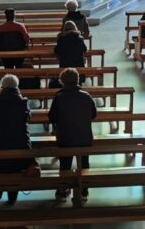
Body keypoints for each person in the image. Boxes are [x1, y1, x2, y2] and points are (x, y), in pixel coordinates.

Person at [0, 74, 32, 206]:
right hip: (20, 154)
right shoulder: (23, 103)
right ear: (17, 87)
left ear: (2, 87)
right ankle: (12, 198)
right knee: (14, 168)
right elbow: (28, 119)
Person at [48, 68, 97, 200]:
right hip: (84, 137)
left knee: (65, 165)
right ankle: (84, 191)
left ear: (62, 81)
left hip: (66, 138)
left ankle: (62, 191)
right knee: (84, 164)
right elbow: (93, 115)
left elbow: (52, 117)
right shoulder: (86, 96)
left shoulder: (59, 97)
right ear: (77, 80)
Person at [0, 9, 33, 86]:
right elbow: (27, 39)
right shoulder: (20, 26)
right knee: (19, 67)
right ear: (14, 16)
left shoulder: (0, 28)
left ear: (5, 17)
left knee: (8, 69)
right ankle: (19, 84)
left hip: (5, 54)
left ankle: (7, 84)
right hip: (19, 53)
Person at [52, 22, 87, 87]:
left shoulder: (62, 39)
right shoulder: (79, 39)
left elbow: (56, 51)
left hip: (65, 69)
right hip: (78, 69)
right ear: (75, 28)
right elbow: (85, 49)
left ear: (64, 29)